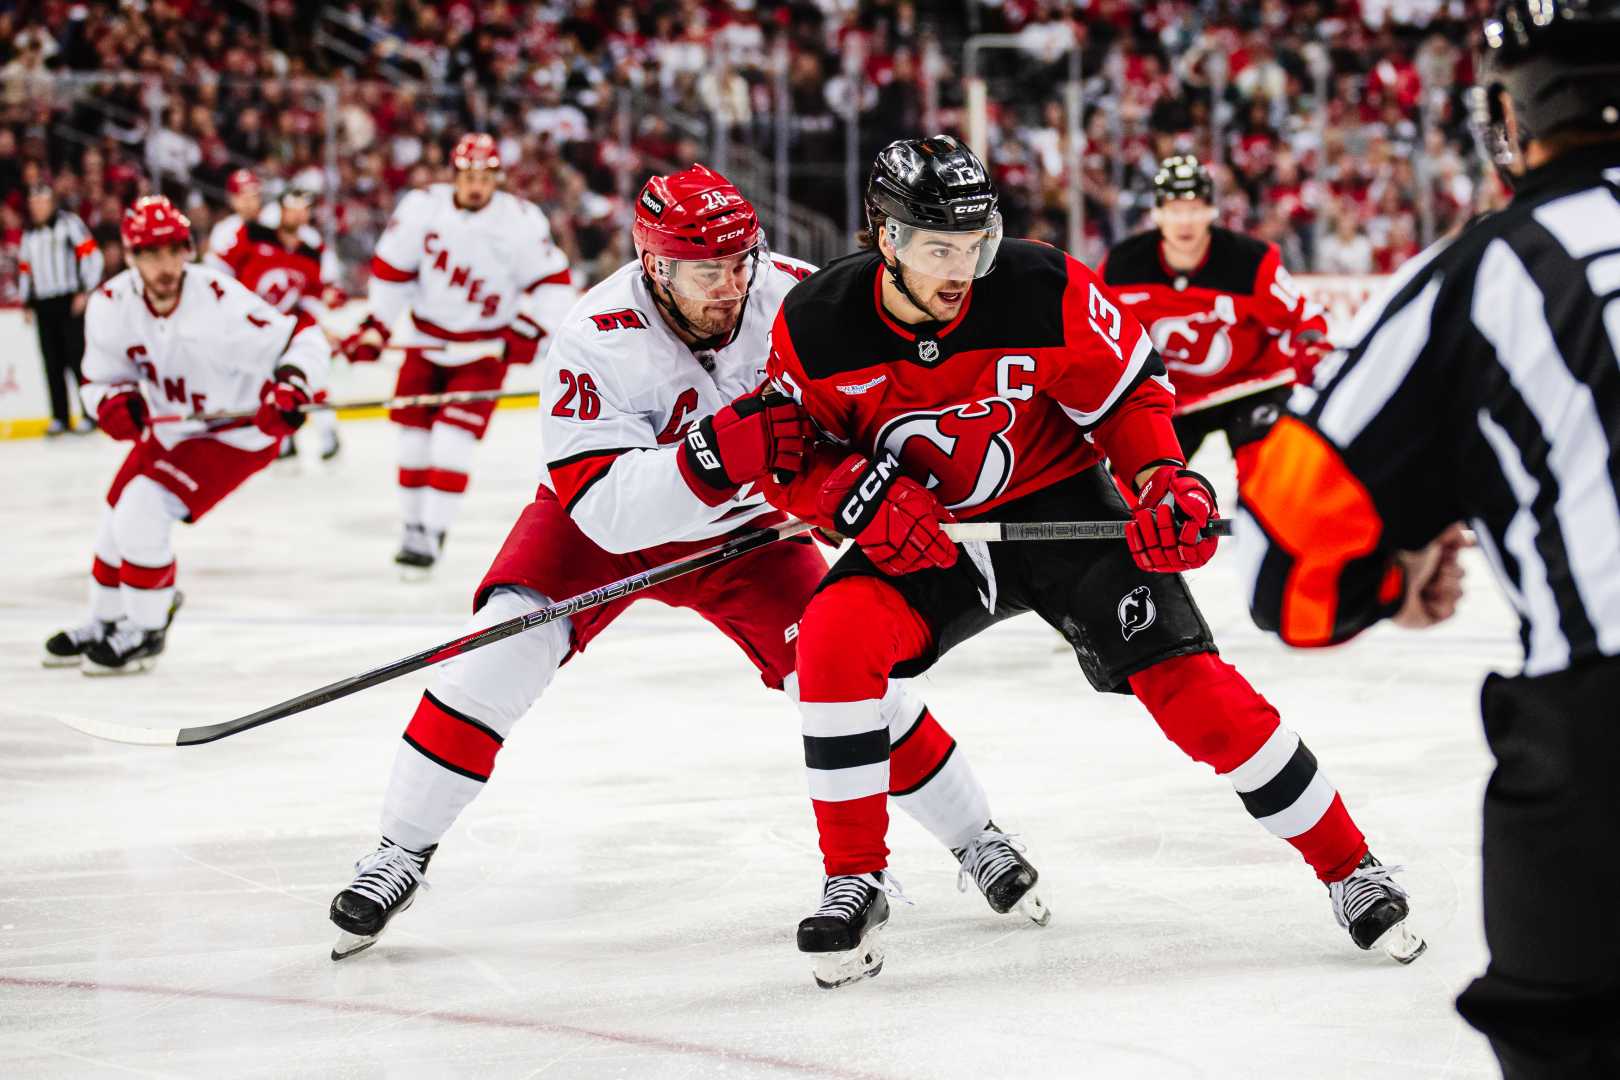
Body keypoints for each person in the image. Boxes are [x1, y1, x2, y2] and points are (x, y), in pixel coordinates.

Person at [327, 165, 1047, 963]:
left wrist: (854, 484)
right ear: (655, 266)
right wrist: (707, 459)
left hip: (751, 535)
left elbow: (878, 403)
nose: (733, 286)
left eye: (743, 262)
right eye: (710, 270)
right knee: (497, 649)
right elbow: (599, 504)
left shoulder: (798, 297)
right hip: (602, 529)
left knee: (844, 672)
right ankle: (399, 851)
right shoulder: (593, 334)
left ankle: (976, 838)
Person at [759, 135, 1422, 990]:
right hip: (925, 533)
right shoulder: (815, 324)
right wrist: (852, 493)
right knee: (831, 638)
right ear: (885, 239)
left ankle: (1350, 865)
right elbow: (790, 456)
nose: (963, 269)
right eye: (938, 250)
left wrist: (1161, 478)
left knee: (1194, 693)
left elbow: (1131, 393)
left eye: (977, 244)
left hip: (1063, 509)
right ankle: (854, 873)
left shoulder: (1040, 284)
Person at [1239, 3, 1620, 1074]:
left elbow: (1287, 565)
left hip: (1599, 742)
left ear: (1516, 114)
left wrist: (1387, 581)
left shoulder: (1489, 272)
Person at [41, 196, 330, 674]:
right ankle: (106, 620)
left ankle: (147, 629)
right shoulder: (110, 305)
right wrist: (110, 405)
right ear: (130, 256)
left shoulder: (218, 298)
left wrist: (292, 384)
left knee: (142, 510)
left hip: (234, 433)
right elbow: (98, 382)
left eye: (175, 250)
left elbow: (304, 337)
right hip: (173, 427)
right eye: (151, 253)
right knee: (115, 517)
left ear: (188, 249)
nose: (166, 264)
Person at [338, 133, 577, 578]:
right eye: (468, 176)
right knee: (412, 442)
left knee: (452, 443)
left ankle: (432, 534)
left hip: (481, 351)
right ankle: (412, 528)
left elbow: (552, 283)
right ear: (454, 175)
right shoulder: (421, 209)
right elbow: (392, 274)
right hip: (425, 342)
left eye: (484, 177)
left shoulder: (520, 220)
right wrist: (377, 326)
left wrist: (529, 331)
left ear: (496, 179)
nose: (474, 186)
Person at [1099, 155, 1331, 488]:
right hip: (1169, 398)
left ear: (1211, 211)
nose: (1185, 221)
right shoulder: (1121, 266)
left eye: (1195, 208)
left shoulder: (1251, 260)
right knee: (1133, 491)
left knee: (1272, 478)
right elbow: (1099, 336)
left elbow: (1303, 316)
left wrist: (1311, 345)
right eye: (1175, 209)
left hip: (1250, 389)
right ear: (1158, 213)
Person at [214, 186, 346, 460]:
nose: (297, 215)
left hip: (287, 329)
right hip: (247, 328)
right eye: (292, 208)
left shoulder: (311, 253)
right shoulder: (252, 235)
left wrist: (318, 325)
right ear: (281, 210)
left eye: (303, 210)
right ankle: (282, 442)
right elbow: (221, 272)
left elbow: (312, 297)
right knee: (259, 383)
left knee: (304, 377)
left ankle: (327, 433)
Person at [19, 183, 103, 435]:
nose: (38, 209)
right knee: (51, 362)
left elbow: (91, 255)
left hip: (69, 300)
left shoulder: (70, 225)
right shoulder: (30, 234)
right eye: (34, 204)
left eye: (42, 203)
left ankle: (89, 414)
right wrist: (26, 301)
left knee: (76, 359)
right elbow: (25, 270)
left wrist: (85, 290)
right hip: (44, 304)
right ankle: (60, 417)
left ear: (51, 203)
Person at [205, 168, 264, 271]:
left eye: (254, 196)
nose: (249, 202)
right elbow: (214, 267)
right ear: (232, 199)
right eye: (243, 196)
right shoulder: (224, 229)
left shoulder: (272, 222)